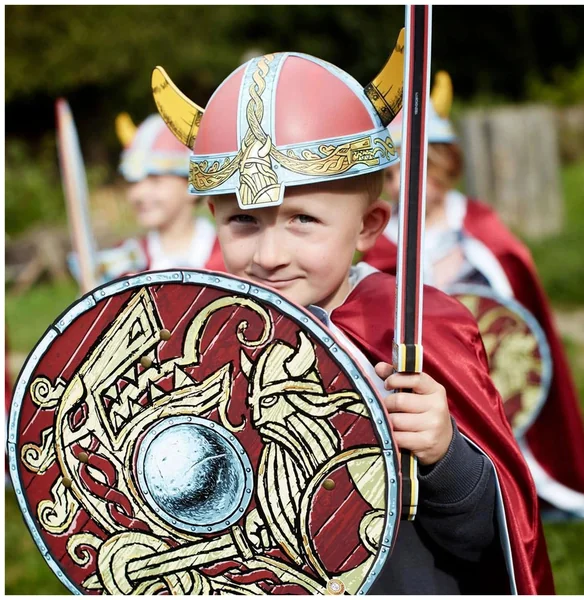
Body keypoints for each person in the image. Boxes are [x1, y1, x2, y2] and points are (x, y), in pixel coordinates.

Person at [154, 45, 554, 594]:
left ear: (369, 226)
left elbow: (487, 540)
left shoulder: (417, 331)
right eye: (244, 221)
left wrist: (444, 456)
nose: (269, 254)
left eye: (302, 219)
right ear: (212, 217)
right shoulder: (188, 341)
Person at [362, 71, 584, 521]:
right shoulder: (383, 241)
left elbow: (514, 311)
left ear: (442, 165)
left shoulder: (480, 228)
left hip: (485, 363)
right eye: (389, 175)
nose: (400, 185)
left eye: (413, 170)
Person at [69, 113, 225, 285]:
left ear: (192, 184)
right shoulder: (121, 267)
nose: (138, 194)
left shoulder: (228, 255)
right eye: (133, 182)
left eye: (155, 180)